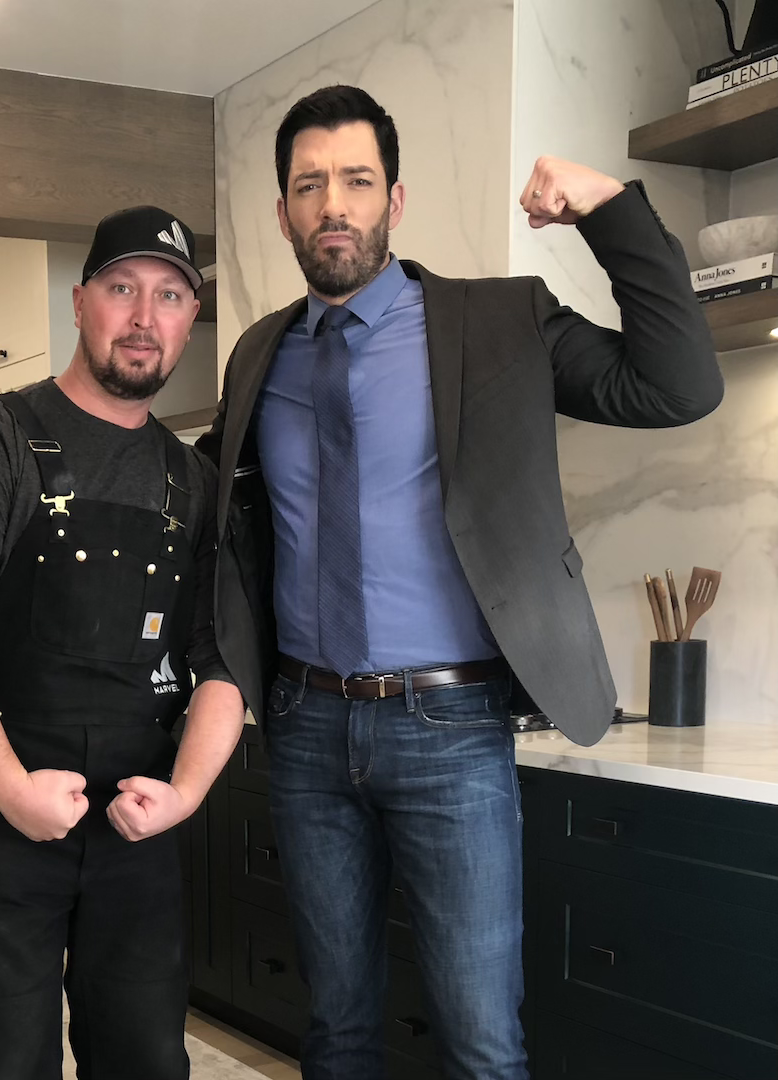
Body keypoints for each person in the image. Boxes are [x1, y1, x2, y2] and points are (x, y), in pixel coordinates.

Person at [196, 84, 723, 1080]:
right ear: (280, 214)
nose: (330, 206)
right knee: (336, 1028)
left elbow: (678, 385)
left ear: (393, 200)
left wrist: (607, 209)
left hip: (449, 728)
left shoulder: (498, 322)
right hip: (304, 727)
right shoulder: (259, 353)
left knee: (480, 1040)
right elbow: (232, 519)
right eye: (307, 186)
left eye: (354, 180)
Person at [0, 205, 245, 1080]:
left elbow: (222, 658)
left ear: (188, 320)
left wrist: (186, 794)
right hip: (0, 824)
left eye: (168, 296)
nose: (142, 316)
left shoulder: (193, 481)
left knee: (148, 1060)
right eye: (122, 288)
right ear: (82, 301)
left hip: (138, 828)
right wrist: (11, 788)